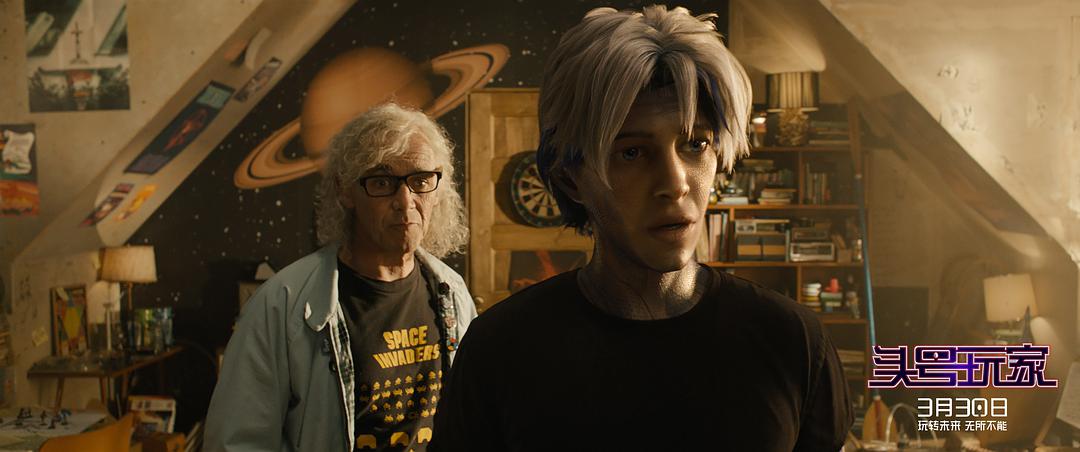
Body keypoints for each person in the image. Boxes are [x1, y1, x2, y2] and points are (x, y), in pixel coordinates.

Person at [431, 5, 853, 451]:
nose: (675, 182)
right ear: (571, 178)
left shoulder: (793, 341)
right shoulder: (501, 351)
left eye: (695, 144)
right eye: (631, 153)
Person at [206, 103, 477, 451]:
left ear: (438, 189)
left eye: (421, 181)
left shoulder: (452, 292)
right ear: (345, 190)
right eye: (382, 182)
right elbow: (236, 442)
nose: (405, 201)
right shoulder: (282, 304)